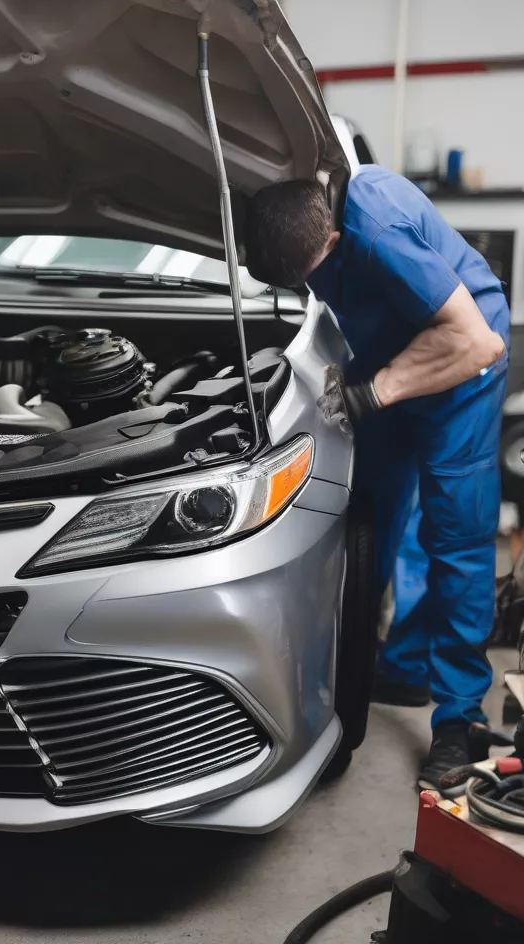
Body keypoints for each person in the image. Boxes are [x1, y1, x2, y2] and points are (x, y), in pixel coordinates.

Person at [244, 165, 509, 788]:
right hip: (388, 366)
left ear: (331, 242)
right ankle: (393, 664)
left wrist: (371, 395)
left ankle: (458, 720)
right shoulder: (297, 206)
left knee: (456, 537)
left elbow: (476, 344)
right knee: (371, 516)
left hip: (462, 367)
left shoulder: (378, 219)